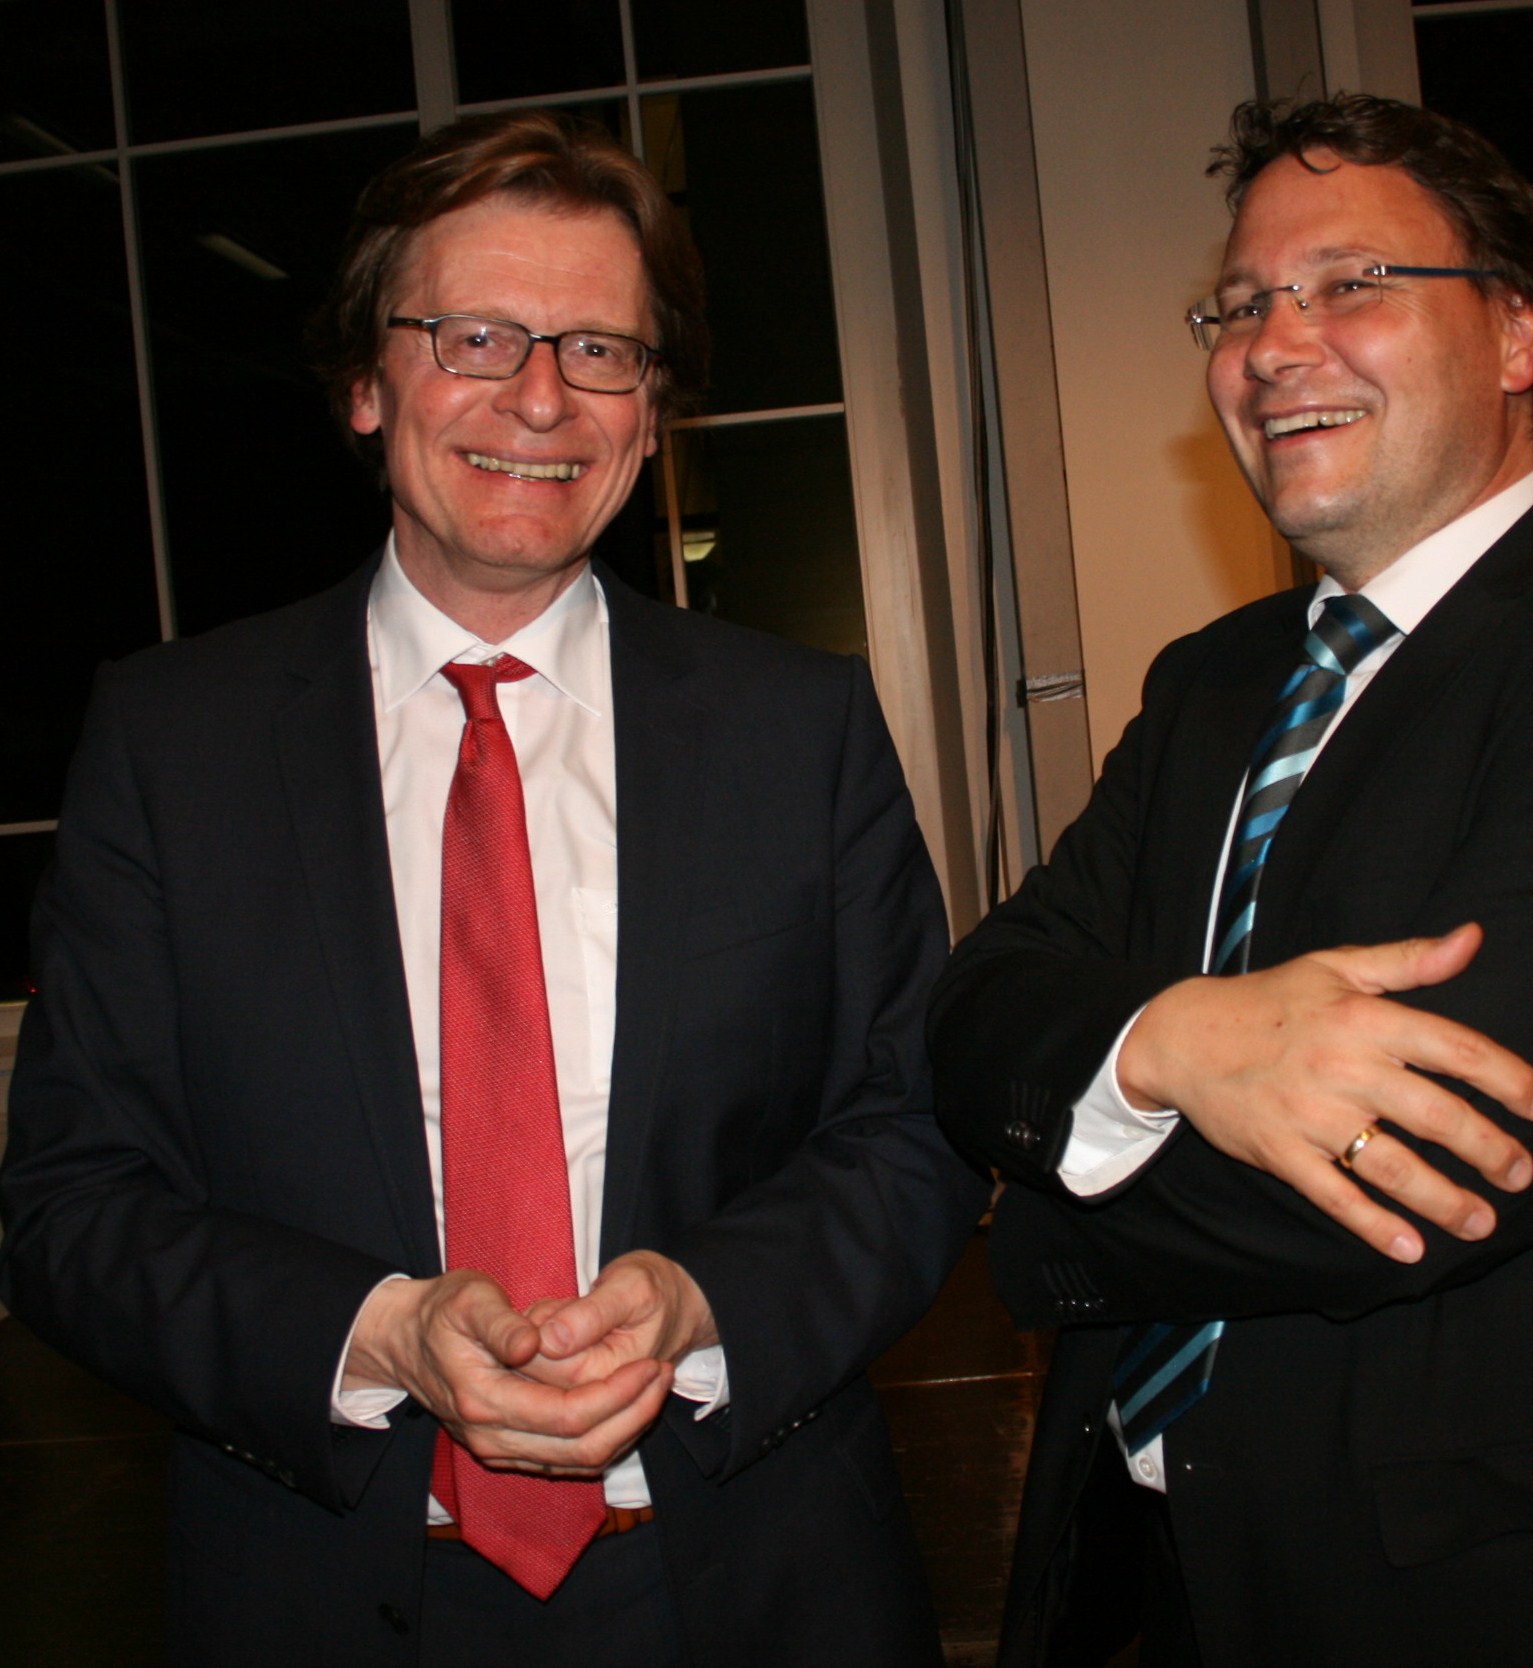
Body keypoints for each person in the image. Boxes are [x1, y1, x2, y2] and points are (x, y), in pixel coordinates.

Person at [0, 110, 985, 1667]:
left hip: (751, 1585)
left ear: (648, 418)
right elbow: (72, 1204)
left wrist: (700, 1301)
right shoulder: (172, 745)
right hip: (319, 1590)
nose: (539, 397)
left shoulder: (798, 732)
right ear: (364, 382)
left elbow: (911, 1128)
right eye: (475, 337)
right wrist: (376, 1331)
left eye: (600, 351)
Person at [929, 93, 1533, 1667]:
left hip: (1475, 1594)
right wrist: (1165, 1047)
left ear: (1518, 335)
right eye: (1239, 304)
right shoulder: (1211, 682)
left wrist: (1037, 1233)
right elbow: (977, 1002)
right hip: (1125, 1565)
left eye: (1350, 284)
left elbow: (1412, 1174)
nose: (1274, 344)